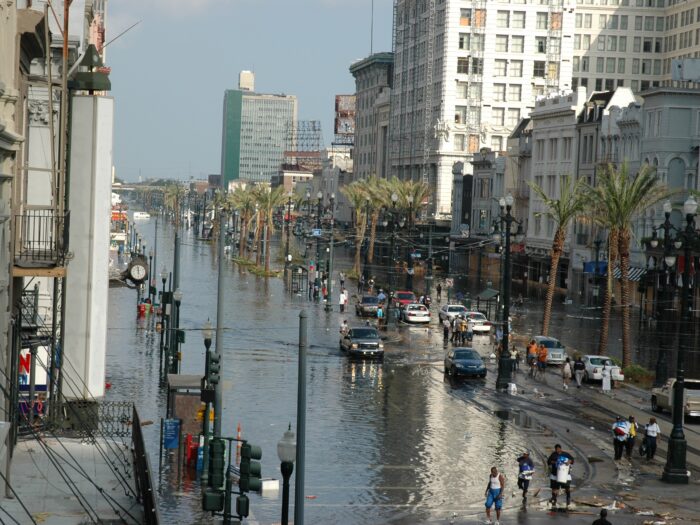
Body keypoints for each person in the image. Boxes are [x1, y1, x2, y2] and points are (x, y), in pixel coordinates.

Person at [548, 444, 574, 509]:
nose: (558, 450)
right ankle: (554, 499)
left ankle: (568, 500)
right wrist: (555, 462)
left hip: (565, 474)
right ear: (555, 449)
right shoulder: (553, 455)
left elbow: (572, 460)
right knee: (554, 488)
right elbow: (549, 461)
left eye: (559, 449)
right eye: (556, 449)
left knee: (567, 488)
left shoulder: (566, 454)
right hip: (555, 474)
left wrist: (569, 461)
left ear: (560, 449)